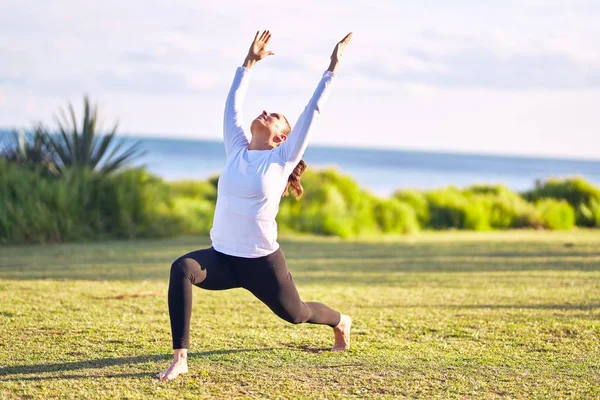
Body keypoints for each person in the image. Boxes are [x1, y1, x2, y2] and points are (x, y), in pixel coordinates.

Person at [157, 30, 353, 381]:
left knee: (298, 313)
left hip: (263, 264)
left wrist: (332, 68)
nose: (264, 112)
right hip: (223, 259)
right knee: (181, 267)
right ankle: (181, 358)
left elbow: (313, 112)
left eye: (273, 115)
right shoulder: (236, 148)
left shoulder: (281, 159)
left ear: (281, 137)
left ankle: (341, 321)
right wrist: (248, 63)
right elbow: (231, 103)